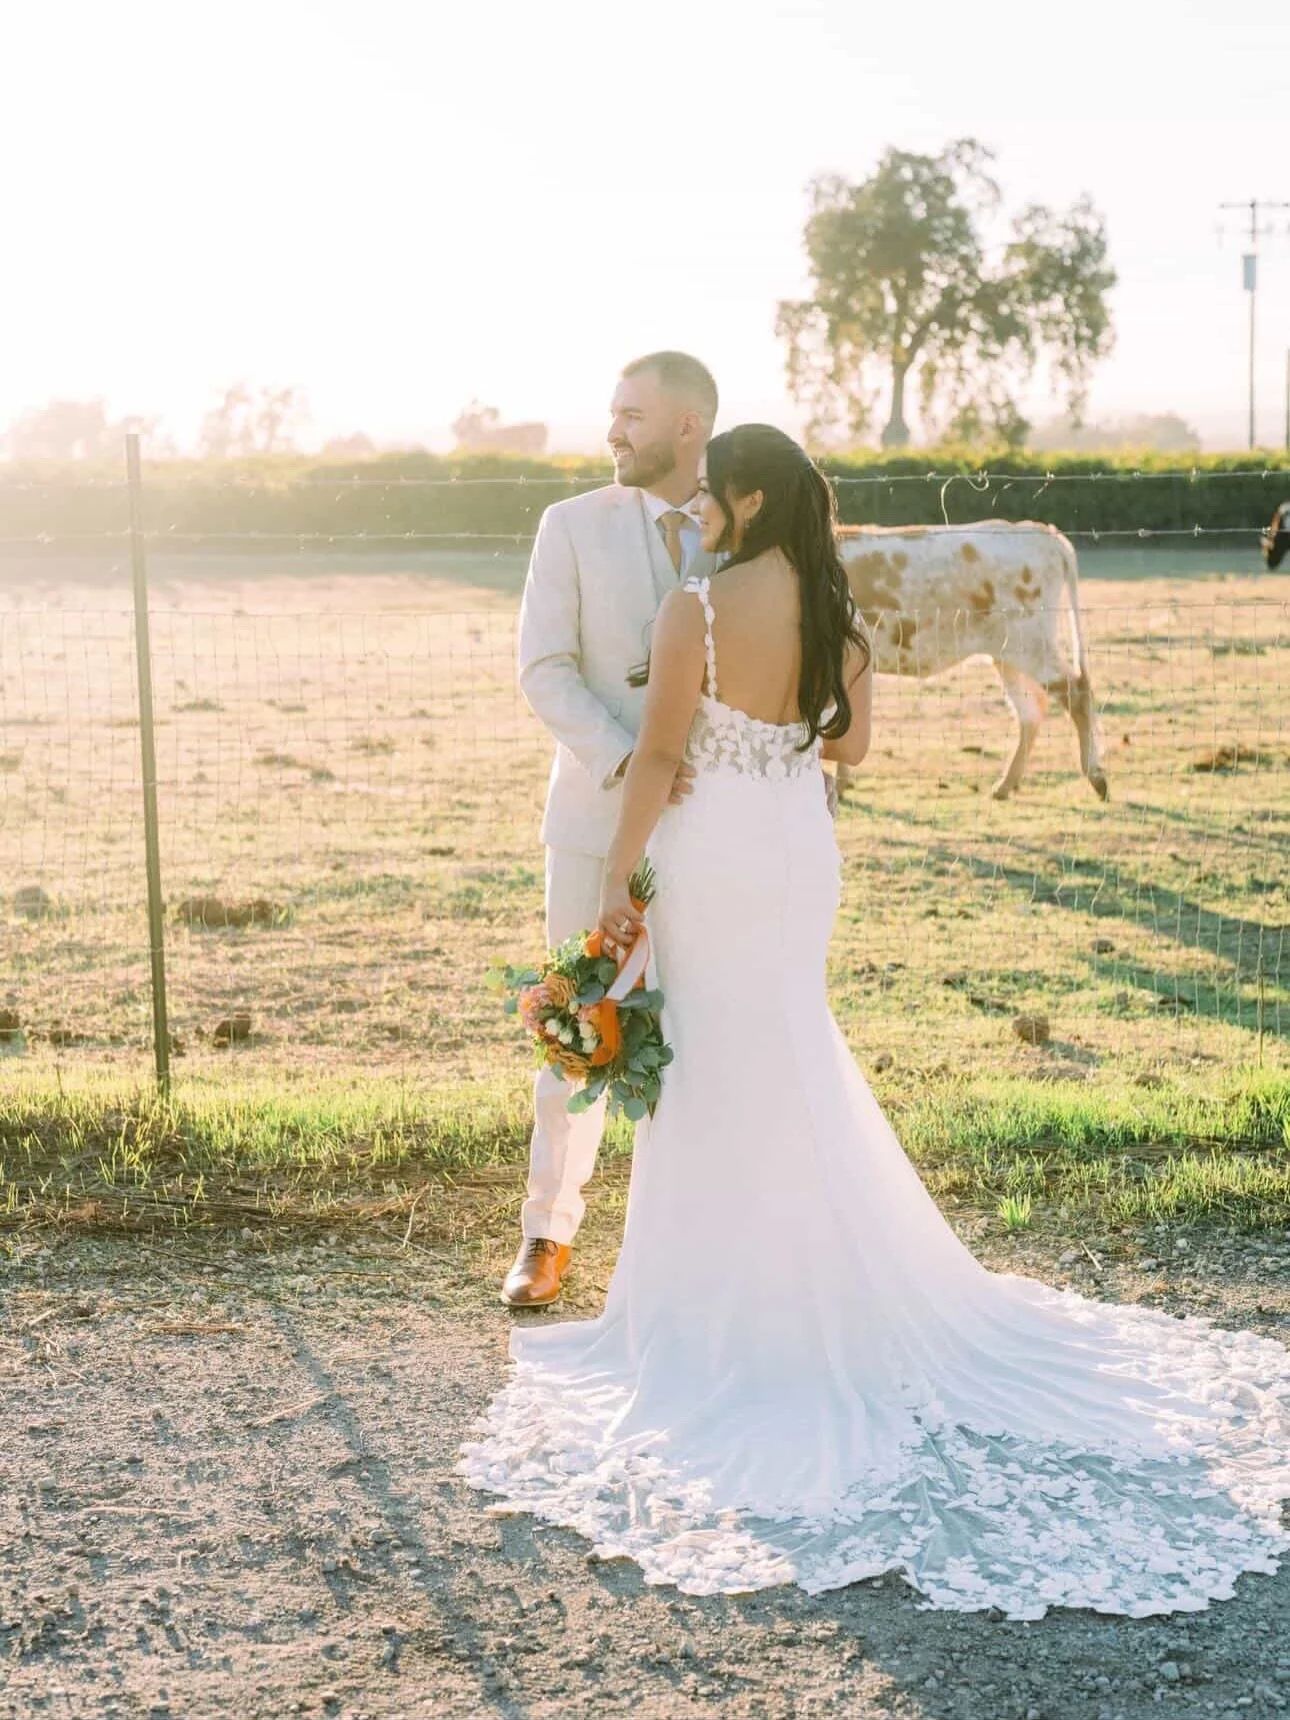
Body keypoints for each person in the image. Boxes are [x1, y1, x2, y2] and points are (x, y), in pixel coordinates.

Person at [462, 424, 1290, 1616]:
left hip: (712, 856)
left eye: (708, 494)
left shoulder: (694, 610)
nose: (695, 508)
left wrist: (611, 889)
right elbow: (851, 742)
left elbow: (652, 758)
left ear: (745, 497)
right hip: (799, 847)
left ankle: (723, 1303)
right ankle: (827, 1276)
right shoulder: (839, 612)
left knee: (713, 1062)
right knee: (789, 1043)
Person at [503, 351, 720, 1308]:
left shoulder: (745, 520)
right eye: (612, 413)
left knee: (711, 1025)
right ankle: (547, 1234)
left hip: (719, 830)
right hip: (597, 818)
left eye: (634, 414)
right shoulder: (571, 526)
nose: (614, 431)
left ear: (690, 426)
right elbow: (543, 667)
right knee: (583, 1021)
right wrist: (634, 762)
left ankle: (702, 1242)